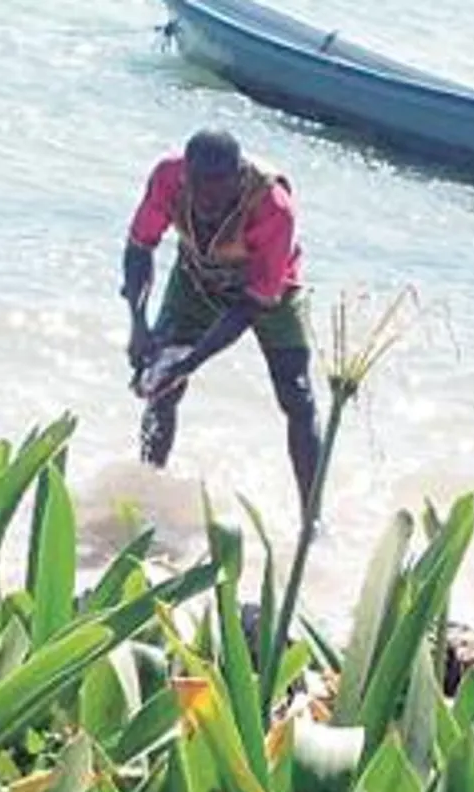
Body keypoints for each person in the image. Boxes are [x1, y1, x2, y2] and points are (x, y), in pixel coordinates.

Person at [120, 129, 321, 515]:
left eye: (219, 188)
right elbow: (139, 247)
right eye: (200, 187)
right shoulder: (167, 178)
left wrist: (193, 360)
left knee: (297, 397)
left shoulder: (273, 207)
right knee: (161, 386)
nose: (209, 199)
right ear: (186, 178)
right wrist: (138, 324)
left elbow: (255, 302)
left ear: (238, 178)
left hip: (271, 290)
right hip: (197, 276)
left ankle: (311, 520)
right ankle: (148, 491)